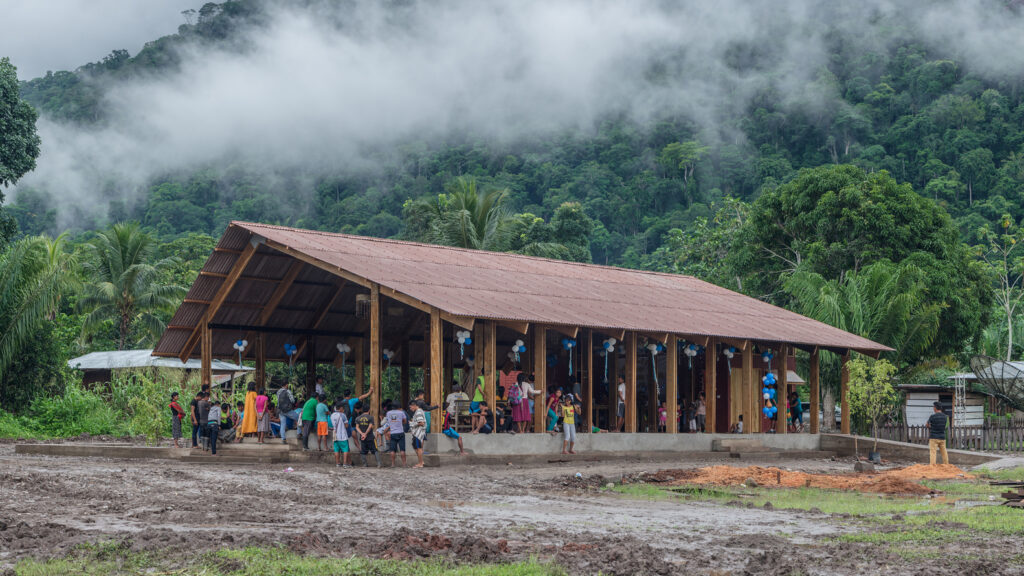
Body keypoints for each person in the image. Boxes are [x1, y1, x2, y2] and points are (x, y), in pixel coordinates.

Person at [384, 401, 408, 467]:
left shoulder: (388, 413)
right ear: (399, 407)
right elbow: (405, 421)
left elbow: (388, 421)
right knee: (402, 450)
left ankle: (393, 464)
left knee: (392, 450)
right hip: (400, 432)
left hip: (392, 433)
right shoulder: (401, 412)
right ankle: (404, 464)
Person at [926, 401, 950, 466]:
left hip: (933, 437)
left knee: (933, 452)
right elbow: (946, 426)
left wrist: (930, 426)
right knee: (944, 452)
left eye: (933, 407)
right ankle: (946, 464)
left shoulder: (932, 416)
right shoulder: (945, 417)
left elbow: (927, 425)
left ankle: (933, 465)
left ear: (935, 408)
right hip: (942, 437)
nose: (933, 408)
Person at [330, 402, 351, 468]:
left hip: (335, 435)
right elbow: (346, 425)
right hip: (342, 435)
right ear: (341, 408)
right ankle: (345, 463)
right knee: (345, 450)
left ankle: (338, 463)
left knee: (336, 450)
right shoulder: (342, 415)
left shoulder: (332, 415)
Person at [410, 400, 427, 468]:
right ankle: (421, 461)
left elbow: (421, 422)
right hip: (417, 433)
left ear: (414, 405)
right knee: (415, 447)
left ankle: (420, 463)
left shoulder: (418, 412)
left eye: (411, 407)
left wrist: (412, 424)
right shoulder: (419, 411)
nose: (410, 409)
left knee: (418, 448)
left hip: (418, 433)